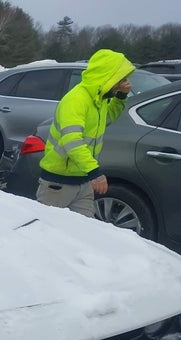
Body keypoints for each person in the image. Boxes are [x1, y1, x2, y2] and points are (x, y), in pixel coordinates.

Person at [36, 49, 135, 217]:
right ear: (107, 76)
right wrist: (95, 173)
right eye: (119, 80)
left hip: (83, 180)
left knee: (84, 233)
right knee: (45, 230)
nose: (122, 84)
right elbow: (72, 142)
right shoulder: (76, 100)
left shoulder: (99, 99)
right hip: (58, 182)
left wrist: (121, 98)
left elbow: (107, 119)